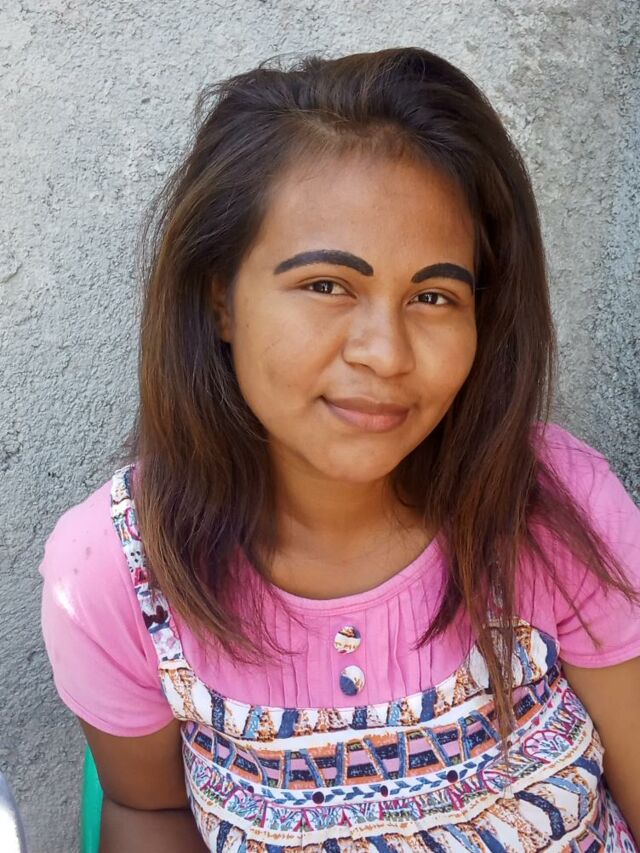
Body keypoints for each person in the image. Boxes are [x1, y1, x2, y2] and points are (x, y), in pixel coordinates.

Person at [39, 47, 640, 851]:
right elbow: (149, 809)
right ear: (220, 299)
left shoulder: (552, 503)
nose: (385, 353)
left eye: (434, 296)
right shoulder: (118, 571)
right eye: (327, 285)